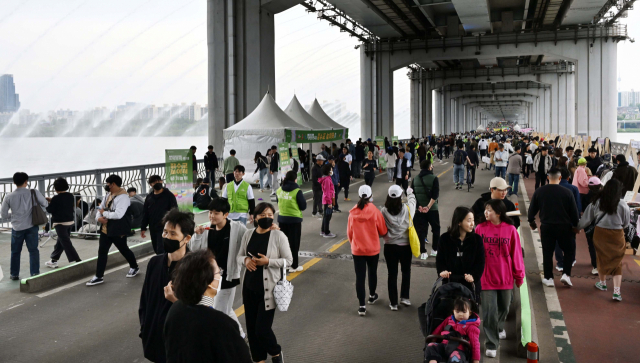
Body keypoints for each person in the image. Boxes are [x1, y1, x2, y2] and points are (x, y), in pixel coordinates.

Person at [163, 249, 253, 363]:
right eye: (218, 272)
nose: (220, 276)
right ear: (209, 282)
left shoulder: (174, 310)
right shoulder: (222, 324)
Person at [236, 203, 292, 363]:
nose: (266, 218)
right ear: (255, 217)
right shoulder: (248, 234)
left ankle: (276, 352)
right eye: (262, 215)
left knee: (261, 330)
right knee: (252, 331)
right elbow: (239, 256)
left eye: (269, 215)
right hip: (248, 289)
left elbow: (289, 261)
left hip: (269, 291)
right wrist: (245, 260)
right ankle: (258, 360)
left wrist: (268, 262)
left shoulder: (279, 236)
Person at [139, 208, 193, 363]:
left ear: (187, 238)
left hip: (179, 341)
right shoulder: (154, 262)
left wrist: (176, 301)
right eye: (165, 232)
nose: (167, 237)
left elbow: (199, 310)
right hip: (154, 337)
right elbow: (145, 299)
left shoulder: (194, 268)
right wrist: (145, 328)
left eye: (173, 233)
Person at [190, 198, 247, 338]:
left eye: (216, 213)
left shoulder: (237, 228)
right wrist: (197, 235)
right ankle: (240, 334)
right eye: (210, 212)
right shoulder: (206, 229)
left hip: (228, 277)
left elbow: (249, 239)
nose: (212, 216)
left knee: (219, 311)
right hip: (210, 277)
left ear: (226, 214)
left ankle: (229, 339)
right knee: (225, 309)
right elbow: (193, 249)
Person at [475, 199, 524, 358]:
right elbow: (474, 253)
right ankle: (491, 343)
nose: (485, 213)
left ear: (498, 212)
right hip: (486, 277)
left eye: (489, 210)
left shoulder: (510, 230)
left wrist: (519, 275)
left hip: (505, 277)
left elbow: (516, 254)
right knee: (489, 312)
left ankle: (499, 327)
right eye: (485, 210)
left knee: (504, 308)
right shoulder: (480, 229)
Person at [576, 179, 629, 301]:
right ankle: (616, 292)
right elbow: (626, 223)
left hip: (600, 234)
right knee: (617, 261)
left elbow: (586, 219)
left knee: (601, 257)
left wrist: (577, 228)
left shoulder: (597, 202)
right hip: (617, 235)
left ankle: (602, 283)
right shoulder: (623, 204)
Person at [528, 168, 579, 287]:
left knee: (547, 252)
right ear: (560, 178)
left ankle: (548, 278)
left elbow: (532, 211)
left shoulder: (540, 191)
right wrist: (576, 226)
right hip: (565, 227)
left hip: (547, 226)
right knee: (569, 250)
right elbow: (574, 213)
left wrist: (532, 222)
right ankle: (566, 274)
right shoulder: (567, 192)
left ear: (547, 177)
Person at [86, 174, 139, 286]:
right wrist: (98, 218)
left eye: (108, 184)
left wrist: (104, 214)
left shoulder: (123, 197)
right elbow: (100, 209)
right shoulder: (108, 194)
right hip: (106, 229)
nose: (107, 186)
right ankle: (99, 276)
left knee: (123, 249)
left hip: (118, 229)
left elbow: (119, 214)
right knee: (102, 252)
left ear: (113, 184)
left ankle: (134, 267)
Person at [347, 185, 388, 316]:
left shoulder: (352, 213)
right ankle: (371, 296)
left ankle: (362, 306)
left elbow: (349, 233)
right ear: (370, 196)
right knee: (372, 272)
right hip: (373, 249)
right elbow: (383, 230)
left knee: (360, 277)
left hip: (357, 249)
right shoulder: (375, 211)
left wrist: (354, 244)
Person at [1, 172, 48, 279]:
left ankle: (14, 274)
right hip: (32, 226)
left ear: (14, 182)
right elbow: (45, 204)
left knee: (15, 252)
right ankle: (35, 273)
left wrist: (13, 215)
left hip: (17, 227)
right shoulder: (33, 192)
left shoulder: (9, 196)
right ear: (26, 182)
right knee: (33, 250)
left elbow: (3, 214)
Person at [436, 206, 485, 299]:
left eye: (473, 220)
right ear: (459, 222)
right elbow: (440, 259)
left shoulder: (477, 240)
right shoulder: (444, 239)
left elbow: (480, 262)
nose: (472, 224)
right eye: (469, 220)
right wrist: (442, 271)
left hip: (470, 286)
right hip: (450, 286)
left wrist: (473, 276)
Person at [380, 185, 416, 310]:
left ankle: (393, 303)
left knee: (392, 274)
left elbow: (380, 227)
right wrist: (410, 193)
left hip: (390, 246)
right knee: (406, 272)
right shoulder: (407, 209)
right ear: (401, 196)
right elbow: (413, 202)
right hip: (405, 246)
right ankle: (405, 297)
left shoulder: (383, 211)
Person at [425, 298, 481, 363]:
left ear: (470, 313)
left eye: (464, 312)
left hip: (459, 349)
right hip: (444, 346)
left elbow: (475, 344)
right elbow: (439, 329)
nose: (460, 314)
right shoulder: (449, 320)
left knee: (456, 358)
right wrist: (433, 338)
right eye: (457, 312)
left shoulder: (471, 327)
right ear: (453, 311)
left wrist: (475, 360)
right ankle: (433, 361)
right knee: (431, 346)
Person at [43, 178, 82, 269]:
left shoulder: (56, 198)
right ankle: (54, 260)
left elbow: (50, 210)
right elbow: (64, 204)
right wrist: (52, 201)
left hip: (60, 224)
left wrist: (48, 202)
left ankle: (77, 260)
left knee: (66, 243)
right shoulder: (70, 196)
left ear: (55, 188)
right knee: (60, 242)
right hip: (70, 222)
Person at [275, 171, 307, 271]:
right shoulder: (297, 191)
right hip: (294, 221)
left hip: (282, 220)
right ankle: (294, 266)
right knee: (294, 244)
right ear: (295, 179)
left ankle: (284, 265)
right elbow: (303, 206)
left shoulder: (279, 190)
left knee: (283, 244)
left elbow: (278, 201)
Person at [141, 175, 178, 255]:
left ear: (161, 181)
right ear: (151, 184)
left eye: (159, 181)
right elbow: (145, 213)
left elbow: (174, 211)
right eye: (154, 182)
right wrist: (143, 227)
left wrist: (173, 225)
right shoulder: (149, 197)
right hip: (153, 227)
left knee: (161, 250)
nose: (157, 183)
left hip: (165, 227)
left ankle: (163, 266)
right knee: (156, 249)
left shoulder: (169, 195)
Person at [412, 160, 441, 259]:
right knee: (436, 228)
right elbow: (435, 195)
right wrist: (428, 206)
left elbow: (412, 195)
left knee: (421, 230)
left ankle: (423, 252)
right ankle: (434, 250)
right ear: (429, 168)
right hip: (432, 209)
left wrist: (419, 206)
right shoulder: (434, 178)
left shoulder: (415, 179)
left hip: (419, 210)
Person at [319, 164, 336, 238]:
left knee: (326, 216)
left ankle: (323, 231)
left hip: (327, 200)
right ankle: (326, 232)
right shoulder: (327, 180)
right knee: (328, 216)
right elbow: (327, 192)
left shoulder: (327, 178)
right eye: (331, 169)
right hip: (328, 201)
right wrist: (329, 202)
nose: (332, 171)